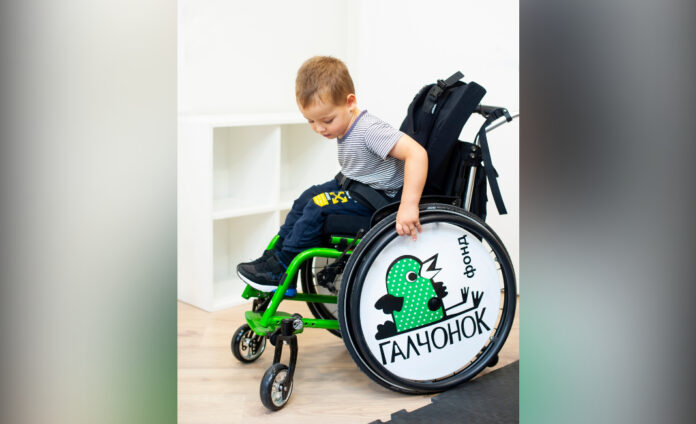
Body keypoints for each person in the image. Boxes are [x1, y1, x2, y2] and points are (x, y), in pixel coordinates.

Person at [237, 56, 428, 292]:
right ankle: (275, 257)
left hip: (379, 199)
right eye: (311, 121)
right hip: (357, 186)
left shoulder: (369, 129)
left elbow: (417, 154)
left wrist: (409, 206)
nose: (319, 128)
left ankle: (283, 266)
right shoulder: (344, 124)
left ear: (350, 102)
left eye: (327, 120)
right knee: (306, 197)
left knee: (317, 206)